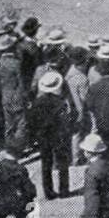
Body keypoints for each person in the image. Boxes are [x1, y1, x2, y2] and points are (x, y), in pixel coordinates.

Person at [27, 70, 74, 201]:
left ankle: (48, 191)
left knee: (45, 164)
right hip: (59, 136)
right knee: (62, 163)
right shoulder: (61, 102)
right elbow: (65, 121)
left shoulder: (37, 103)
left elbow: (31, 122)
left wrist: (33, 138)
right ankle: (64, 190)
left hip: (43, 136)